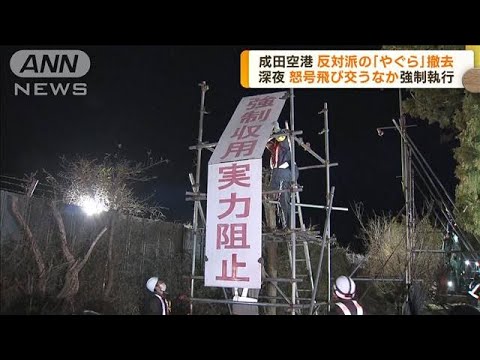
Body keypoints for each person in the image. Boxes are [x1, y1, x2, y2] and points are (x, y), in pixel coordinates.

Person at [265, 122, 298, 229]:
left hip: (284, 173)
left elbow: (281, 137)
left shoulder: (284, 143)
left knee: (283, 199)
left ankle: (289, 226)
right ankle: (285, 224)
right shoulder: (276, 147)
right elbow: (268, 144)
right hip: (278, 174)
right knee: (275, 197)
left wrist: (276, 129)